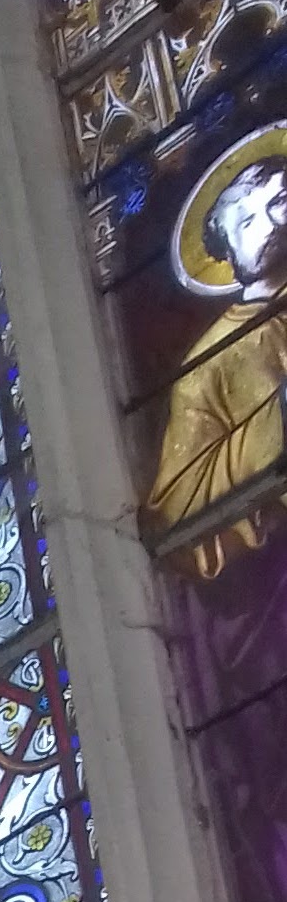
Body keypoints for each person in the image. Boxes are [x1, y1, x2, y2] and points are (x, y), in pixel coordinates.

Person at [146, 130, 287, 575]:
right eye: (246, 222)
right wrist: (277, 420)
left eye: (279, 202)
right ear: (225, 253)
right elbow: (178, 513)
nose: (269, 224)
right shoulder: (207, 365)